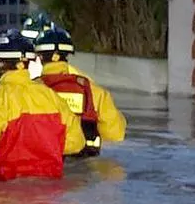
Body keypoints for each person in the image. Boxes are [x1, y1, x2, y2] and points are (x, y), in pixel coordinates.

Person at [0, 29, 86, 180]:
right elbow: (77, 143)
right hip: (52, 194)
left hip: (6, 190)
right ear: (27, 63)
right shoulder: (52, 98)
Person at [34, 27, 127, 157]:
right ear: (67, 55)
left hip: (45, 162)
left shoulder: (30, 91)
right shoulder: (95, 91)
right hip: (86, 164)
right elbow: (115, 134)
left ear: (39, 57)